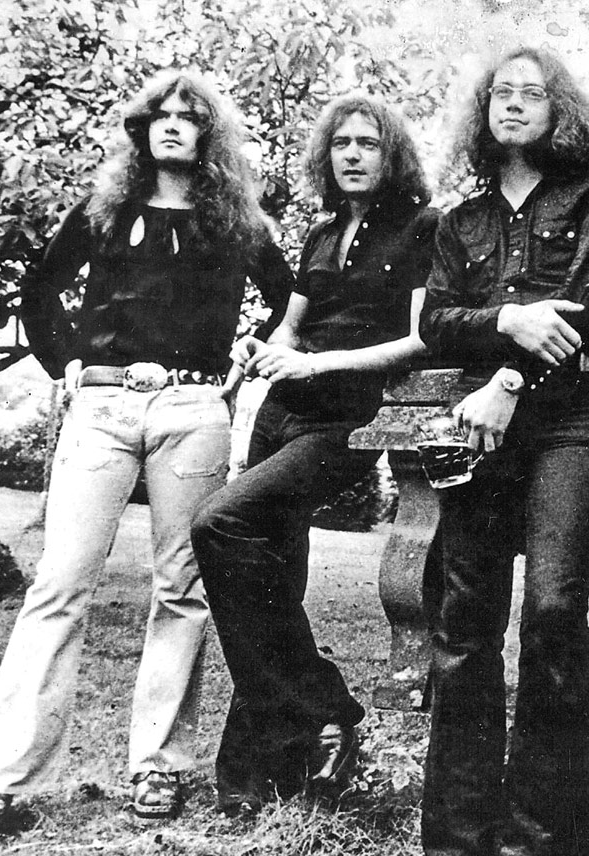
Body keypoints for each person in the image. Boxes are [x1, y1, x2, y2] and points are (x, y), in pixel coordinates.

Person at [0, 71, 293, 837]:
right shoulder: (102, 210)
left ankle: (158, 766)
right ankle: (4, 778)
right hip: (103, 406)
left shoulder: (236, 223)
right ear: (142, 128)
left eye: (190, 116)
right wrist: (66, 361)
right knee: (59, 582)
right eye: (161, 114)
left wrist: (256, 350)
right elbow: (40, 290)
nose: (173, 124)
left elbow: (289, 297)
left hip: (193, 410)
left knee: (181, 587)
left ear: (209, 135)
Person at [414, 46, 589, 856]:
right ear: (483, 110)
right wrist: (505, 322)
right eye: (500, 93)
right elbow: (434, 320)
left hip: (570, 423)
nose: (514, 104)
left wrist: (508, 374)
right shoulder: (459, 219)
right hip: (479, 427)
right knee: (465, 625)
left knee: (551, 616)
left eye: (533, 92)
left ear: (562, 109)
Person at [189, 94, 438, 817]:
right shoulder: (322, 233)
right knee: (269, 582)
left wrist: (317, 365)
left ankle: (328, 708)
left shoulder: (422, 227)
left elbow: (421, 338)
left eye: (369, 143)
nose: (353, 154)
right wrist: (263, 348)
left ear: (393, 156)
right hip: (281, 411)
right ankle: (263, 764)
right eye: (341, 143)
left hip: (345, 420)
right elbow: (292, 329)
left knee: (220, 524)